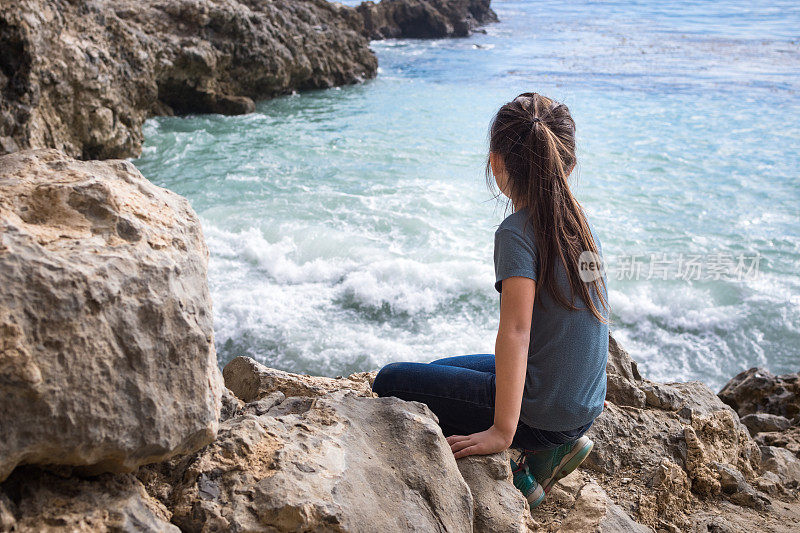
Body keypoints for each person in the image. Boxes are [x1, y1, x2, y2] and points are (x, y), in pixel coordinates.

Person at [371, 92, 609, 509]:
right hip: (582, 407)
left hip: (544, 415)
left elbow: (516, 332)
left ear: (496, 164)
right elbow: (594, 309)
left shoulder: (517, 232)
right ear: (570, 164)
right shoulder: (580, 221)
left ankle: (525, 461)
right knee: (436, 372)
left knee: (392, 381)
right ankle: (554, 449)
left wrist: (502, 430)